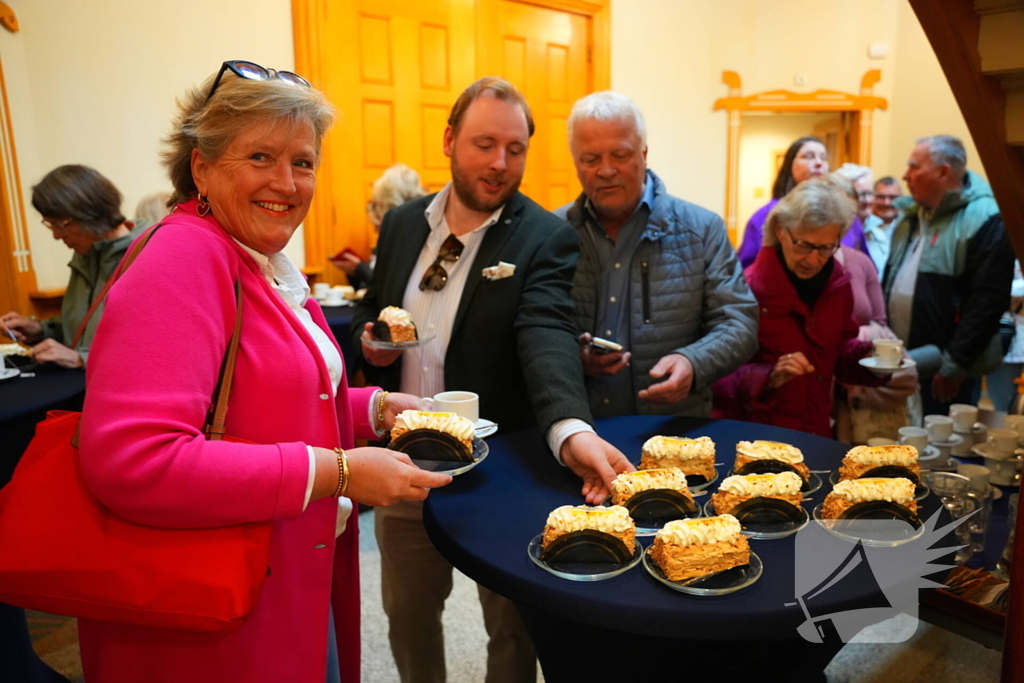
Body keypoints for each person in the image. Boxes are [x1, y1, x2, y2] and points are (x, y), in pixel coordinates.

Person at [75, 60, 451, 683]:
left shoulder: (253, 257)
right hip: (214, 610)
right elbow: (134, 458)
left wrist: (371, 409)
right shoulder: (184, 256)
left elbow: (261, 396)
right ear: (201, 166)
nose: (287, 181)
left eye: (302, 162)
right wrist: (336, 471)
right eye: (260, 157)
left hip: (279, 573)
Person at [351, 77, 633, 683]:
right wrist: (370, 347)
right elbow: (374, 314)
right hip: (405, 460)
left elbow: (546, 334)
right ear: (450, 140)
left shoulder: (543, 237)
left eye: (515, 148)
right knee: (407, 614)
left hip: (499, 470)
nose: (500, 164)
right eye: (484, 144)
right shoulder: (402, 223)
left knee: (512, 627)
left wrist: (569, 428)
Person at [556, 91, 758, 418]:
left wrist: (694, 362)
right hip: (580, 431)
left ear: (644, 153)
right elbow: (532, 328)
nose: (606, 171)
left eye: (620, 155)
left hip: (673, 433)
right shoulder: (553, 233)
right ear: (575, 162)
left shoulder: (701, 230)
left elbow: (739, 322)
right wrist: (570, 355)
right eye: (590, 159)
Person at [713, 176, 884, 437]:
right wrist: (768, 377)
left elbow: (838, 353)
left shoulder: (837, 286)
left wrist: (874, 359)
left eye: (826, 248)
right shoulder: (746, 289)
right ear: (780, 229)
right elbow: (715, 376)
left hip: (814, 431)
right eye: (804, 245)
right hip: (756, 438)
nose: (814, 260)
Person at [883, 135, 1014, 416]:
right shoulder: (909, 214)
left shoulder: (985, 217)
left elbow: (987, 300)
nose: (905, 175)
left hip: (946, 369)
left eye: (914, 167)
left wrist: (954, 364)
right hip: (901, 359)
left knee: (941, 449)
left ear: (942, 172)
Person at [0, 166, 147, 368]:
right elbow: (84, 329)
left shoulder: (146, 255)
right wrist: (41, 330)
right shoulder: (85, 255)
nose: (56, 235)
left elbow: (151, 345)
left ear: (90, 214)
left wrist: (81, 359)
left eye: (59, 224)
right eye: (49, 224)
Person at [736, 136, 827, 268]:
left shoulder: (840, 214)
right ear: (789, 165)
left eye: (823, 158)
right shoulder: (767, 215)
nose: (819, 163)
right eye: (808, 157)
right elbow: (746, 268)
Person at [332, 163, 427, 289]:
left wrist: (360, 269)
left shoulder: (414, 240)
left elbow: (393, 288)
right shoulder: (394, 236)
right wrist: (355, 272)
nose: (374, 211)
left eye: (377, 205)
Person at [862, 176, 903, 278]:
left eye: (892, 198)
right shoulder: (861, 228)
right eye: (880, 197)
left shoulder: (908, 229)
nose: (886, 203)